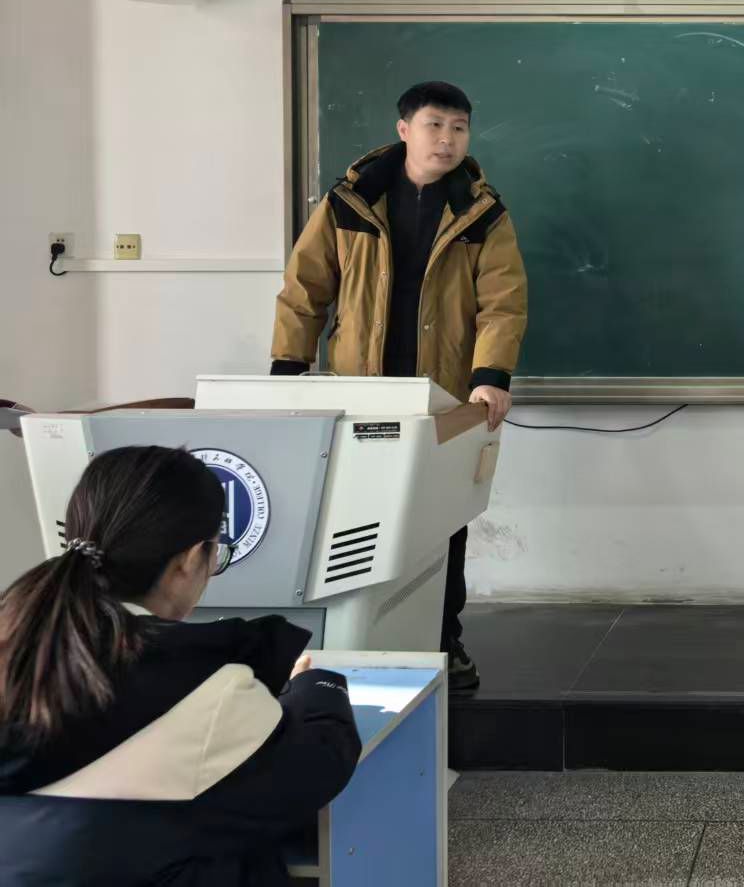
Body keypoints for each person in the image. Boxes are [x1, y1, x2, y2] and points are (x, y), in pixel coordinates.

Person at [0, 445, 360, 886]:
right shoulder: (204, 688)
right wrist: (314, 687)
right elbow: (313, 769)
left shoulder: (17, 646)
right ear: (189, 560)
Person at [271, 80, 528, 692]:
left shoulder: (482, 213)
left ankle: (444, 641)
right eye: (435, 125)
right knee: (354, 518)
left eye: (459, 127)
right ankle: (354, 643)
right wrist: (288, 370)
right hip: (360, 393)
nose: (448, 139)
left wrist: (490, 377)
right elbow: (305, 290)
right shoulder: (348, 204)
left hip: (444, 397)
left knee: (443, 522)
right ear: (404, 129)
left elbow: (503, 302)